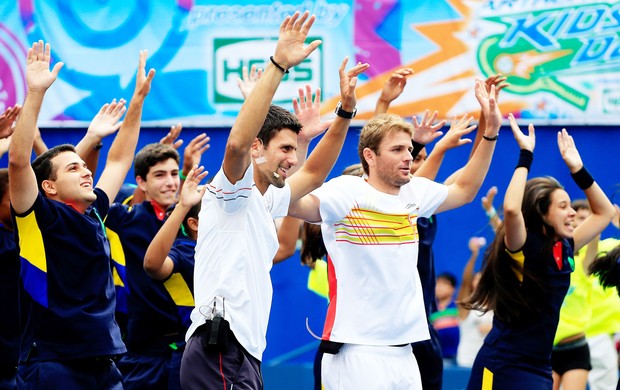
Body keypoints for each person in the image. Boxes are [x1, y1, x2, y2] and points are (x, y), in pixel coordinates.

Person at [181, 11, 369, 389]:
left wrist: (344, 113)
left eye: (294, 149)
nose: (293, 158)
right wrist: (278, 64)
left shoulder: (267, 200)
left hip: (242, 353)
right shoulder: (231, 192)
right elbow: (236, 142)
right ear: (257, 148)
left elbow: (314, 174)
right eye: (284, 148)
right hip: (220, 347)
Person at [288, 78, 503, 389]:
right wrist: (303, 142)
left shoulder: (413, 193)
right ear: (370, 157)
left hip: (406, 353)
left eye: (409, 148)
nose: (408, 156)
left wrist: (491, 133)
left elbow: (466, 189)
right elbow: (293, 202)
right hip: (356, 352)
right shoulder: (346, 193)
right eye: (398, 149)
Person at [9, 41, 154, 388]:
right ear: (49, 187)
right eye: (73, 168)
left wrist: (137, 101)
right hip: (54, 364)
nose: (86, 171)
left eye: (83, 166)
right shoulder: (39, 218)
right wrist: (36, 92)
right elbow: (17, 162)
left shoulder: (94, 214)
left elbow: (119, 160)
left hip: (105, 363)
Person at [465, 114, 615, 389]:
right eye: (562, 206)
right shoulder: (523, 247)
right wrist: (525, 155)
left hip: (539, 366)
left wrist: (578, 169)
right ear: (541, 213)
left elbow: (604, 213)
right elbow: (511, 209)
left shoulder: (565, 247)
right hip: (502, 364)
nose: (571, 213)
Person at [105, 134, 208, 389]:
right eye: (160, 175)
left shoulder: (192, 222)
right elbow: (93, 200)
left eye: (174, 174)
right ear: (140, 182)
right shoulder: (127, 219)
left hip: (191, 346)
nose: (171, 182)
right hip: (144, 352)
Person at [455, 237, 493, 368]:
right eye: (477, 279)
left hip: (489, 363)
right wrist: (474, 255)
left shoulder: (497, 306)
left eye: (483, 279)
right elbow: (465, 281)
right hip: (466, 362)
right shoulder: (467, 305)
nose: (480, 282)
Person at [431, 272, 460, 364]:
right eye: (437, 284)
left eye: (444, 284)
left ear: (453, 289)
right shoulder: (429, 308)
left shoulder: (458, 307)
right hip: (434, 357)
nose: (439, 287)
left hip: (454, 357)